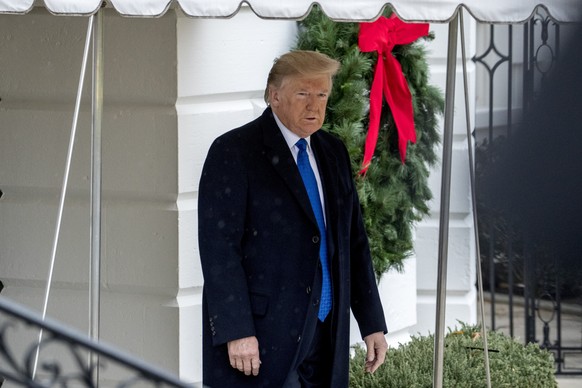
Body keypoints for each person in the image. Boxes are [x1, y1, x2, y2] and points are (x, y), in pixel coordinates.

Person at [198, 50, 388, 387]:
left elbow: (353, 241)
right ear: (274, 95)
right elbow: (219, 250)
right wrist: (237, 331)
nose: (314, 105)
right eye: (303, 94)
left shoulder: (333, 152)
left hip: (326, 334)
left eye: (322, 95)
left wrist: (372, 322)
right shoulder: (234, 151)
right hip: (262, 337)